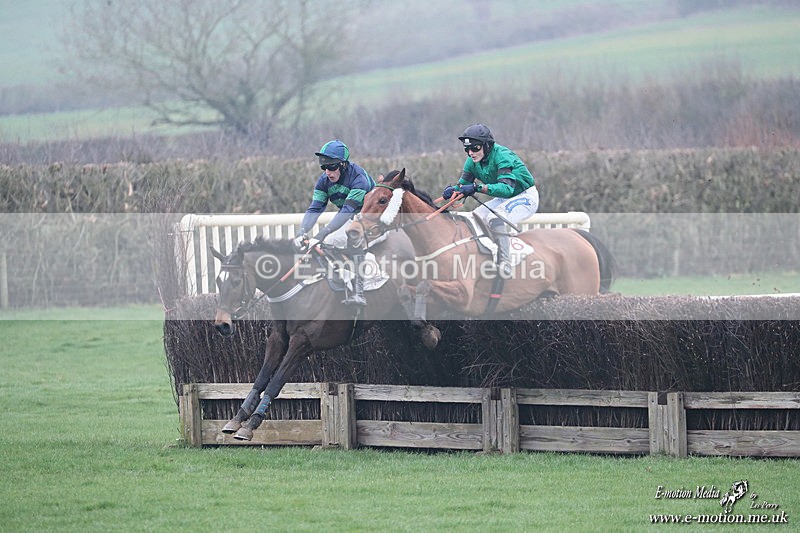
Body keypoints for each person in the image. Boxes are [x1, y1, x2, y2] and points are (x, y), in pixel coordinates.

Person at [442, 123, 539, 276]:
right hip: (503, 198)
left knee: (495, 217)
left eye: (475, 148)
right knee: (475, 216)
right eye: (467, 149)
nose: (471, 153)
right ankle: (486, 255)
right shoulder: (471, 161)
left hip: (525, 196)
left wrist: (477, 187)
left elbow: (507, 189)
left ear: (487, 146)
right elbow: (463, 185)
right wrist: (453, 190)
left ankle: (505, 261)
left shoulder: (502, 156)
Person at [293, 139, 375, 306]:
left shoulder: (359, 179)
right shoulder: (323, 181)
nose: (327, 172)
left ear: (343, 165)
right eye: (324, 167)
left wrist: (322, 233)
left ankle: (359, 292)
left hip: (371, 218)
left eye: (331, 167)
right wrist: (302, 231)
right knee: (328, 242)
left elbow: (347, 210)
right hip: (353, 217)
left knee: (335, 239)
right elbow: (315, 208)